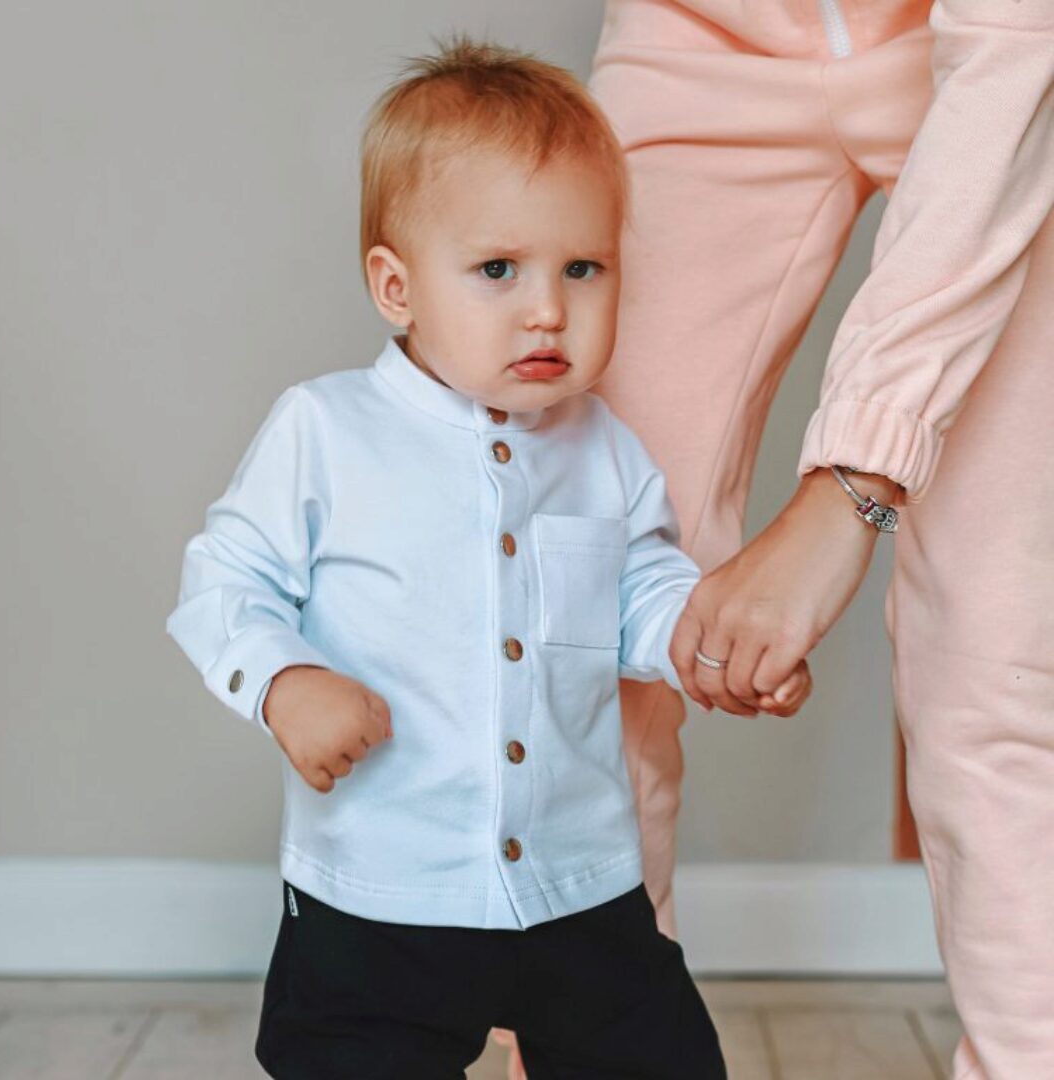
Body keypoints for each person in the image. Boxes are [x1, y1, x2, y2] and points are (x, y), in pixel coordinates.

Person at [166, 40, 812, 1078]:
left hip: (579, 882)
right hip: (380, 892)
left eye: (582, 268)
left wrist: (711, 646)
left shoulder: (605, 448)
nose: (548, 307)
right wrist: (282, 680)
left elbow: (640, 589)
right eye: (498, 270)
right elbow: (224, 581)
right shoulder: (326, 431)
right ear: (397, 285)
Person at [580, 2, 1054, 1078]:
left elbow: (1015, 53)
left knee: (1000, 651)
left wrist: (851, 487)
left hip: (1002, 46)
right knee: (581, 604)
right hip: (694, 31)